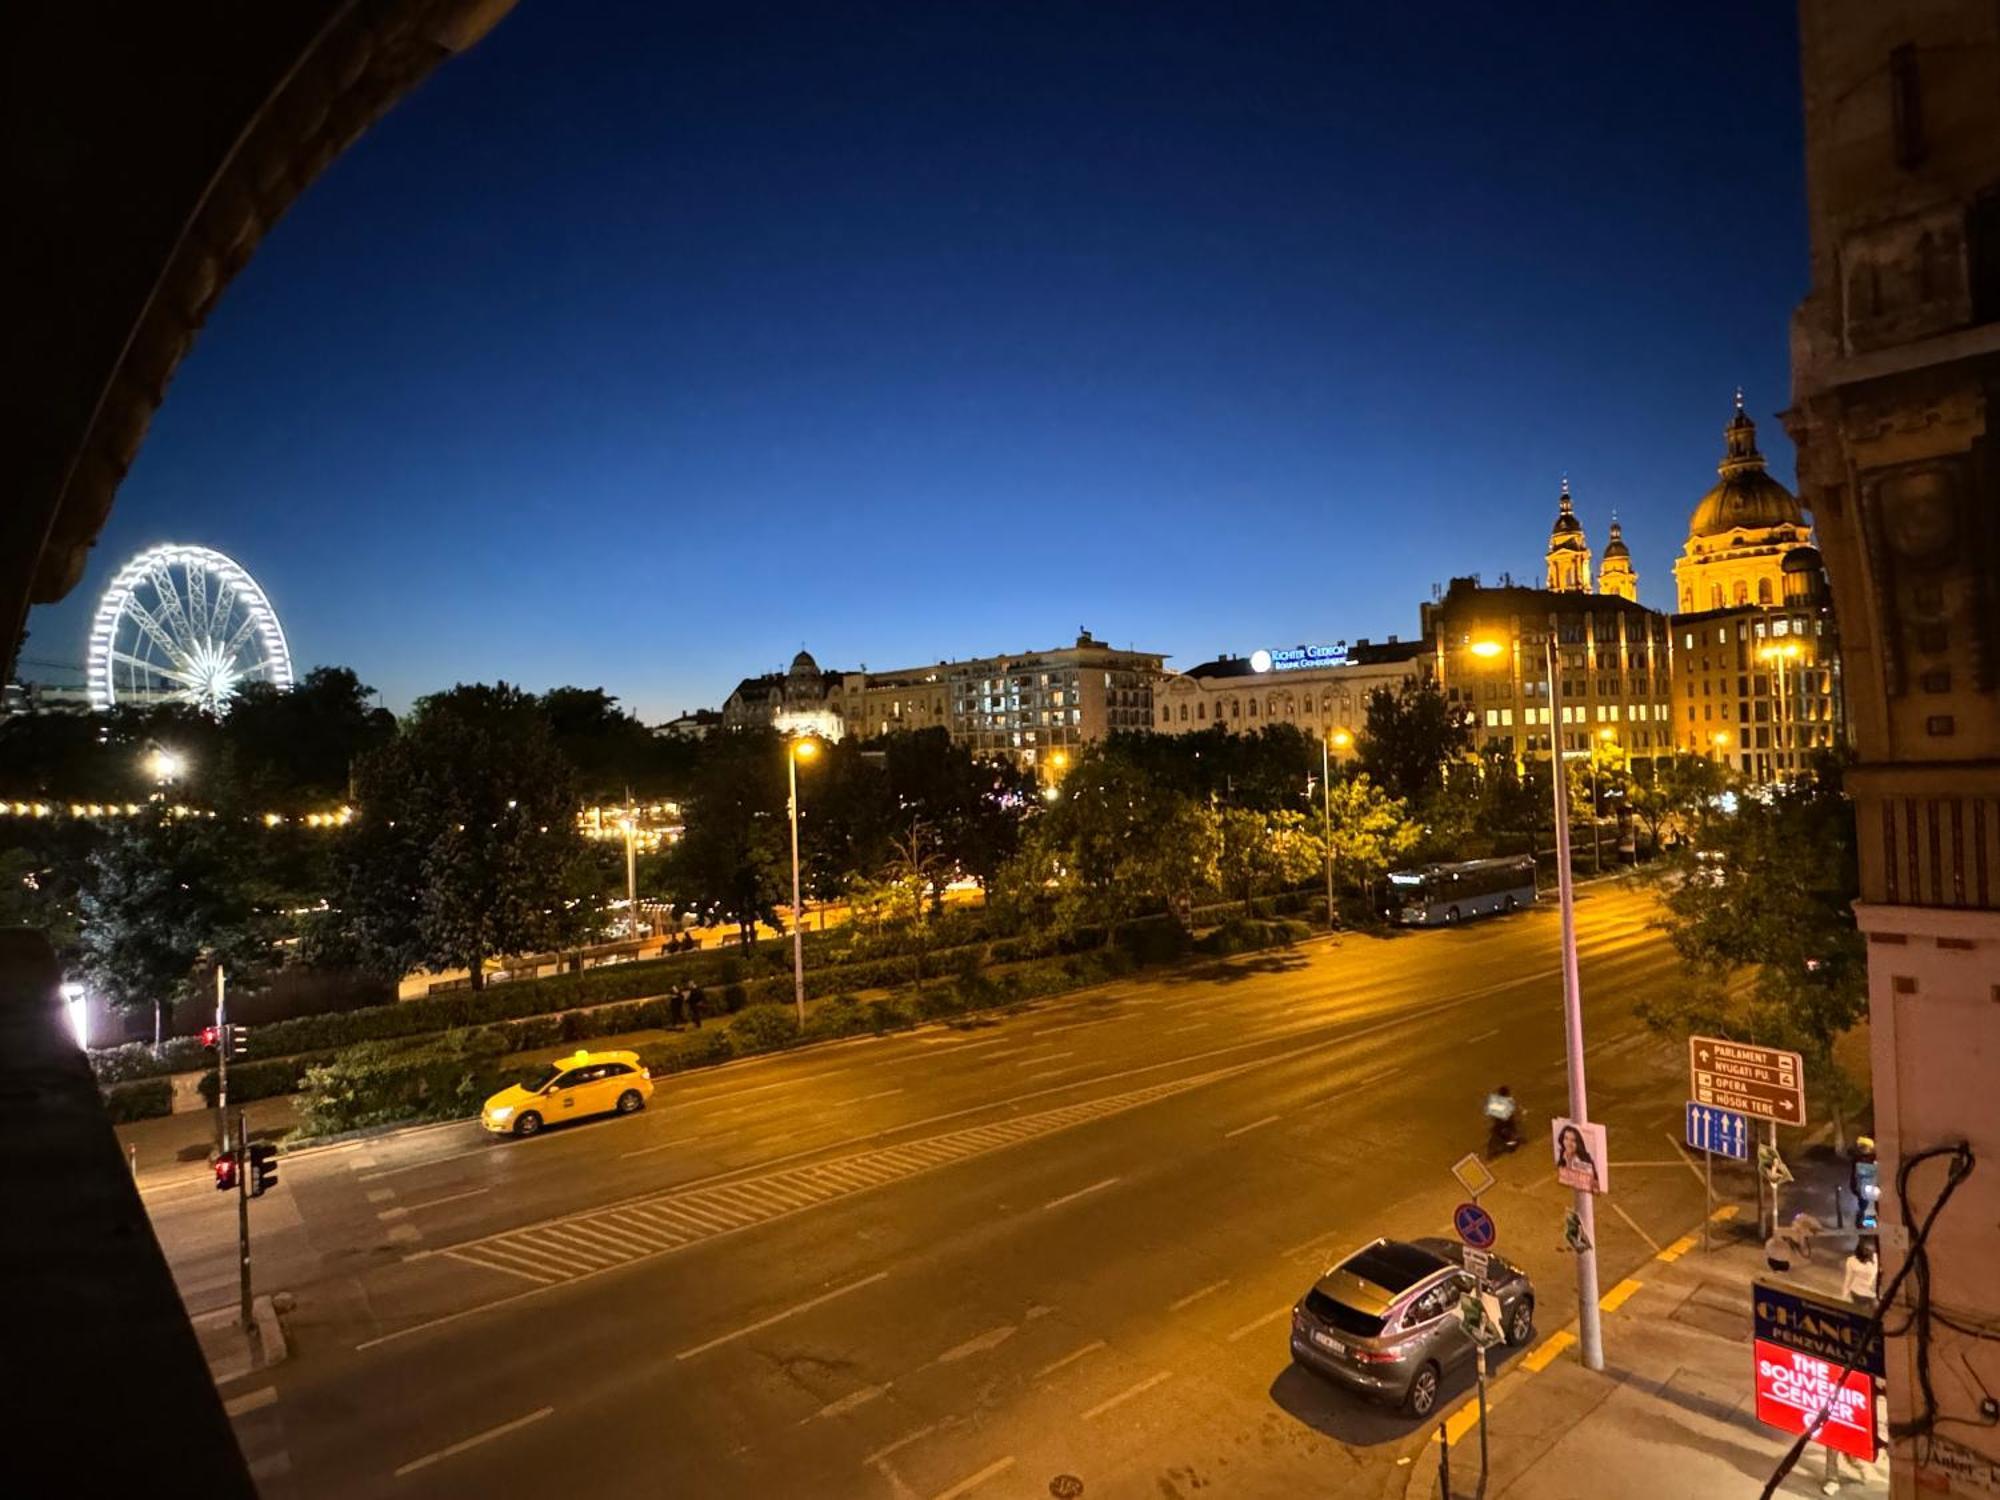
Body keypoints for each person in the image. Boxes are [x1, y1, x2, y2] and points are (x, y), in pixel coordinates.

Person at [1554, 1122, 1600, 1192]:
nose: (1569, 1143)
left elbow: (1595, 1186)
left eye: (1573, 1140)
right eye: (1566, 1138)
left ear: (1578, 1143)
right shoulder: (1561, 1156)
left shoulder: (1585, 1160)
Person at [1841, 1239, 1879, 1306]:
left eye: (1870, 1249)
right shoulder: (1852, 1260)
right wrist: (1844, 1295)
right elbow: (1848, 1278)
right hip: (1857, 1293)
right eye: (1866, 1249)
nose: (1868, 1251)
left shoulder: (1876, 1258)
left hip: (1872, 1294)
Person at [1485, 1086, 1521, 1153]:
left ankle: (1492, 1150)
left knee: (1496, 1137)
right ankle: (1510, 1147)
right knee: (1509, 1136)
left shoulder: (1496, 1102)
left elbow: (1492, 1115)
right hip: (1505, 1126)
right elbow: (1510, 1117)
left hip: (1499, 1126)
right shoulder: (1508, 1103)